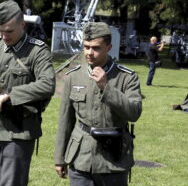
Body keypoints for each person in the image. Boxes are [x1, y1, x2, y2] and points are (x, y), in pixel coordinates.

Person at [0, 0, 55, 186]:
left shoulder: (37, 51)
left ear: (22, 24)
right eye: (0, 30)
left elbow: (47, 85)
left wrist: (11, 95)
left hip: (18, 130)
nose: (4, 36)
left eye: (9, 31)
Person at [54, 22, 142, 186]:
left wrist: (106, 88)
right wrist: (59, 158)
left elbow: (134, 112)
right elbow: (65, 120)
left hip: (114, 158)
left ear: (109, 47)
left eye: (96, 48)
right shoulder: (74, 76)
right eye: (86, 47)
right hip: (81, 158)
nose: (89, 52)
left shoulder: (127, 77)